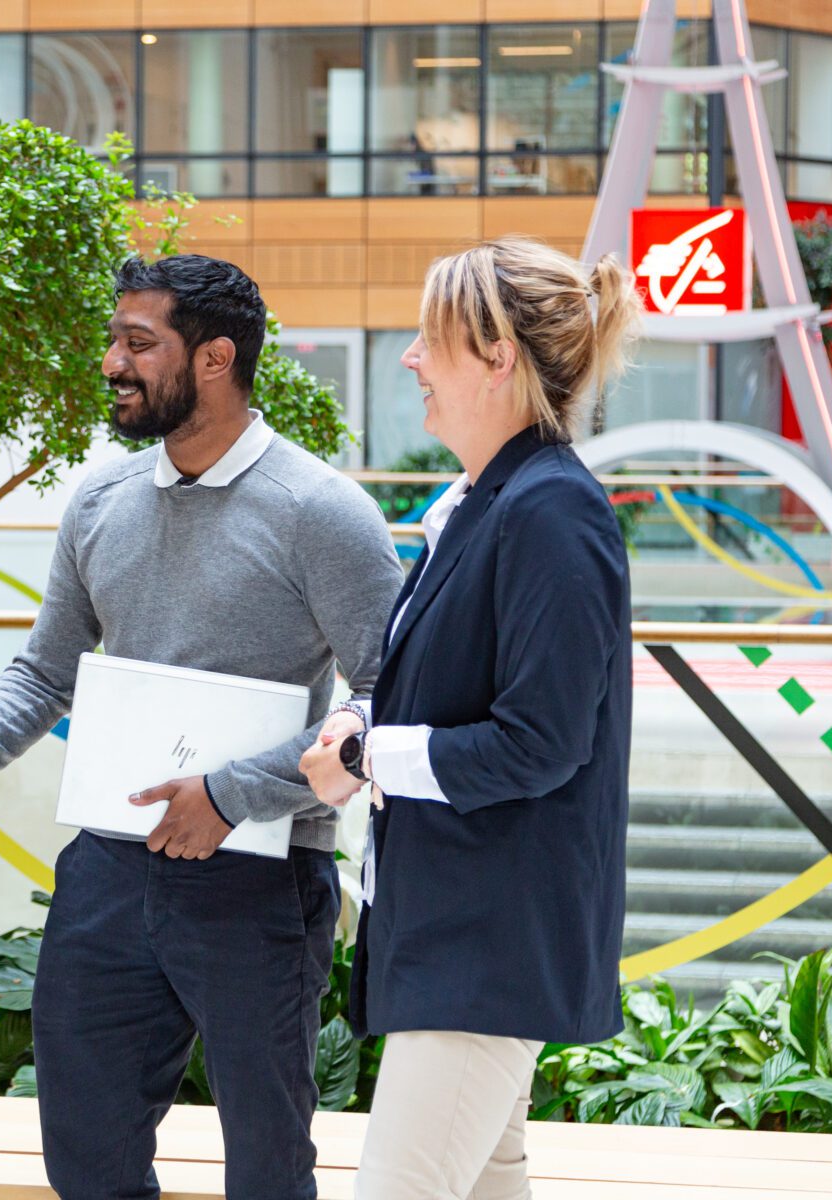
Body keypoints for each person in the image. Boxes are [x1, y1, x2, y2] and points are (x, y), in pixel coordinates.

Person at [0, 254, 404, 1200]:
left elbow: (386, 703)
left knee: (266, 1167)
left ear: (215, 359)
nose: (110, 362)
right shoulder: (99, 503)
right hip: (108, 872)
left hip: (258, 879)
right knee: (86, 1158)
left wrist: (231, 794)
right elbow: (45, 671)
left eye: (139, 343)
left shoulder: (323, 514)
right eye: (113, 338)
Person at [299, 237, 638, 1200]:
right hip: (466, 938)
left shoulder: (548, 512)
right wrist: (363, 727)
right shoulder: (493, 503)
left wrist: (369, 753)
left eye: (428, 338)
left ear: (497, 358)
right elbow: (449, 689)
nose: (410, 359)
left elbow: (542, 740)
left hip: (485, 946)